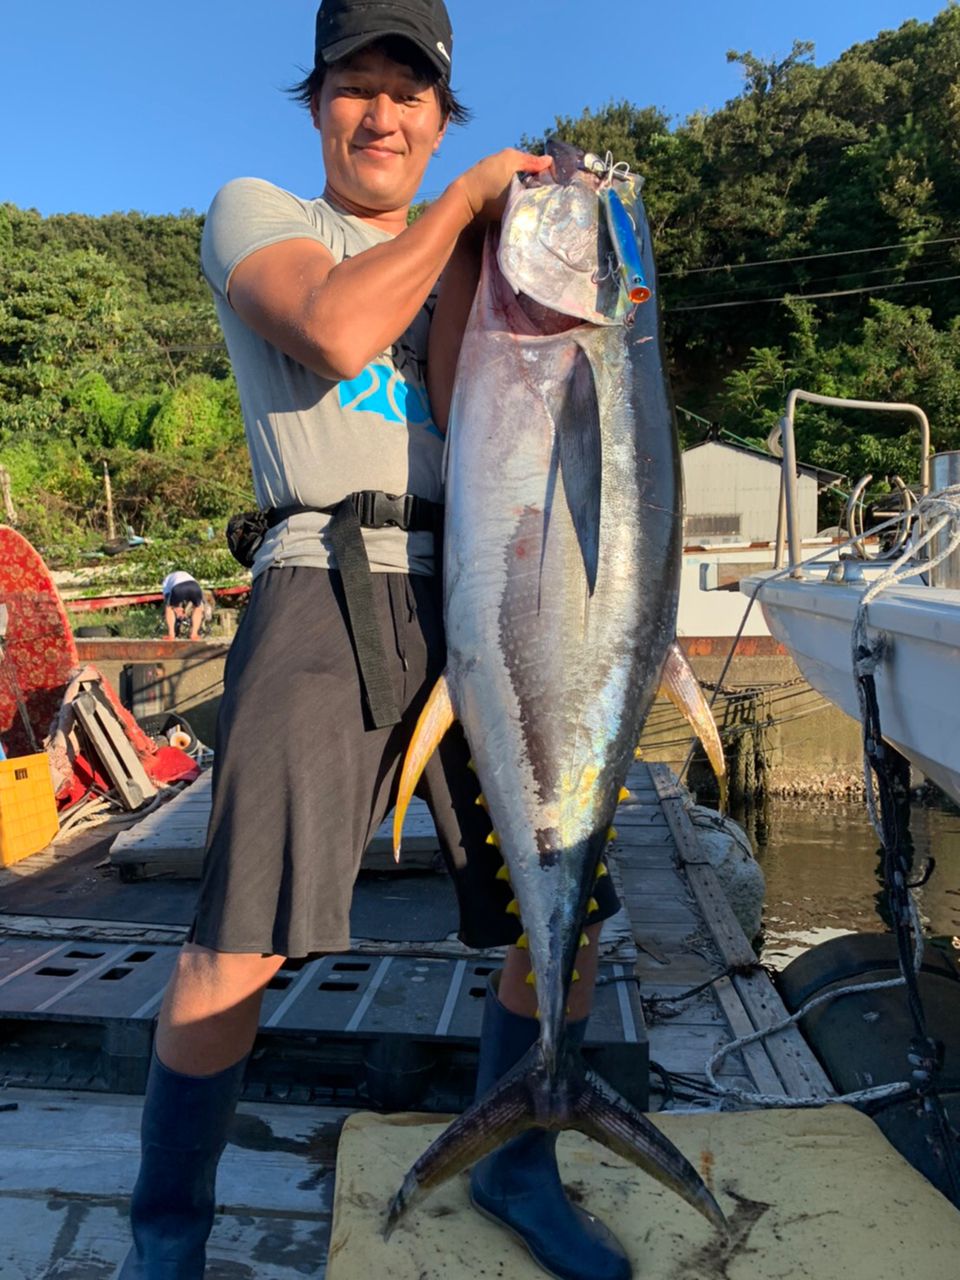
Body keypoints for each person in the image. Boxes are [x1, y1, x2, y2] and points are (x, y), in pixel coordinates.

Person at [120, 4, 627, 1279]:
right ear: (319, 104)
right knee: (236, 938)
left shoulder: (473, 262)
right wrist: (460, 208)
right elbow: (338, 331)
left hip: (482, 589)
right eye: (360, 84)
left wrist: (529, 250)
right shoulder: (261, 213)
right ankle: (166, 1232)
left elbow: (491, 415)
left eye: (413, 91)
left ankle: (520, 1158)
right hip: (320, 580)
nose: (384, 112)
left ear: (441, 111)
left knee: (561, 916)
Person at [161, 569, 205, 640]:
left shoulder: (166, 580)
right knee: (198, 607)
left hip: (178, 587)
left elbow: (168, 597)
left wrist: (176, 608)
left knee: (169, 607)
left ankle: (171, 635)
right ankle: (194, 634)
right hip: (195, 586)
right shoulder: (186, 574)